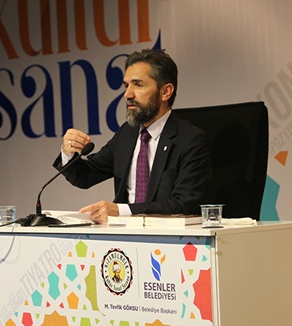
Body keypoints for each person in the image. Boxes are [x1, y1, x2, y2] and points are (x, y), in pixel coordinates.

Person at [54, 49, 210, 224]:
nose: (128, 94)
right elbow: (85, 176)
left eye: (138, 85)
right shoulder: (127, 133)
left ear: (165, 92)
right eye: (126, 86)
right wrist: (68, 152)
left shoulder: (191, 140)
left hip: (168, 236)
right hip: (124, 235)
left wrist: (121, 211)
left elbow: (184, 204)